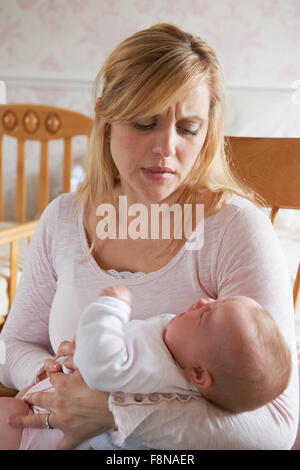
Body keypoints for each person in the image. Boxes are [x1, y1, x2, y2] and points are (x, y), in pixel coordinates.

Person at [0, 23, 298, 450]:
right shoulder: (64, 218)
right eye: (145, 123)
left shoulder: (234, 229)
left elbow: (277, 425)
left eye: (188, 129)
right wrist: (51, 377)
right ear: (106, 118)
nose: (166, 147)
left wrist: (112, 412)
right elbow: (13, 345)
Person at [0, 286, 292, 450]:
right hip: (40, 403)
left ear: (199, 374)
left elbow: (97, 366)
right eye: (213, 301)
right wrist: (45, 372)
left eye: (205, 317)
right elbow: (12, 345)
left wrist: (109, 310)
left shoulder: (154, 366)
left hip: (40, 429)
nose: (202, 300)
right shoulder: (178, 358)